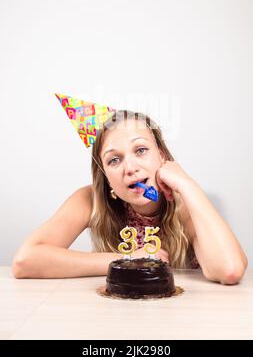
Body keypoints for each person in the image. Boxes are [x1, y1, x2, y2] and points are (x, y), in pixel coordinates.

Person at [12, 110, 248, 284]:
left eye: (141, 150)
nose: (130, 168)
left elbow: (230, 270)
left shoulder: (184, 204)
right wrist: (128, 258)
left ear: (161, 155)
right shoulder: (90, 199)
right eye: (114, 160)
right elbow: (26, 261)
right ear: (105, 176)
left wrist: (187, 184)